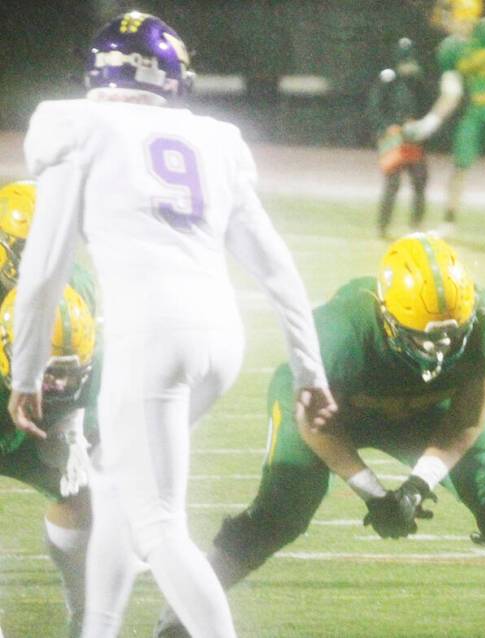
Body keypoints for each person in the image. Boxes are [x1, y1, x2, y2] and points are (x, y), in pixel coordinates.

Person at [9, 12, 335, 638]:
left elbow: (46, 268)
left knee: (158, 523)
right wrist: (309, 367)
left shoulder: (78, 128)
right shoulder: (211, 140)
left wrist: (26, 372)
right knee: (111, 481)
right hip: (219, 336)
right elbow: (276, 268)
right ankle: (96, 631)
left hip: (148, 336)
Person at [153, 234, 485, 638]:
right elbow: (316, 424)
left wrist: (418, 484)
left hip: (427, 411)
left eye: (453, 334)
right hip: (340, 411)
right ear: (385, 315)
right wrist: (373, 493)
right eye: (428, 337)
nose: (442, 350)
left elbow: (465, 423)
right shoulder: (339, 335)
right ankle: (178, 618)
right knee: (280, 512)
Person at [0, 285, 98, 638]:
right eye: (49, 372)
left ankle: (85, 609)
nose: (60, 384)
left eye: (69, 373)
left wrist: (77, 431)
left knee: (83, 497)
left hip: (44, 429)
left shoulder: (95, 359)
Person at [405, 0, 485, 244]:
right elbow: (451, 94)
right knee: (460, 163)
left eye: (450, 14)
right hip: (477, 108)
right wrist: (430, 122)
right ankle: (449, 222)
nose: (445, 20)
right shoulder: (450, 48)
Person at [367, 37, 431, 239]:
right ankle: (383, 226)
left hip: (411, 136)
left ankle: (416, 225)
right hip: (393, 137)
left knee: (420, 180)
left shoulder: (417, 80)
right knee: (392, 183)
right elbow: (375, 106)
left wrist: (418, 124)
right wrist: (386, 126)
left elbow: (425, 105)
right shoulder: (388, 78)